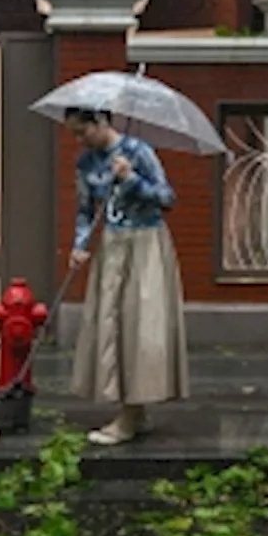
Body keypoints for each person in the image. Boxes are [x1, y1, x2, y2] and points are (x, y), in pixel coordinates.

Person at [64, 107, 190, 446]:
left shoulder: (139, 152)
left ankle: (130, 415)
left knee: (137, 326)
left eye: (82, 131)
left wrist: (132, 180)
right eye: (74, 134)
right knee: (111, 324)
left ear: (100, 122)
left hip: (146, 246)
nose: (79, 140)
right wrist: (79, 245)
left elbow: (167, 198)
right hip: (112, 246)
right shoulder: (86, 163)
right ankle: (135, 410)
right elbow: (85, 210)